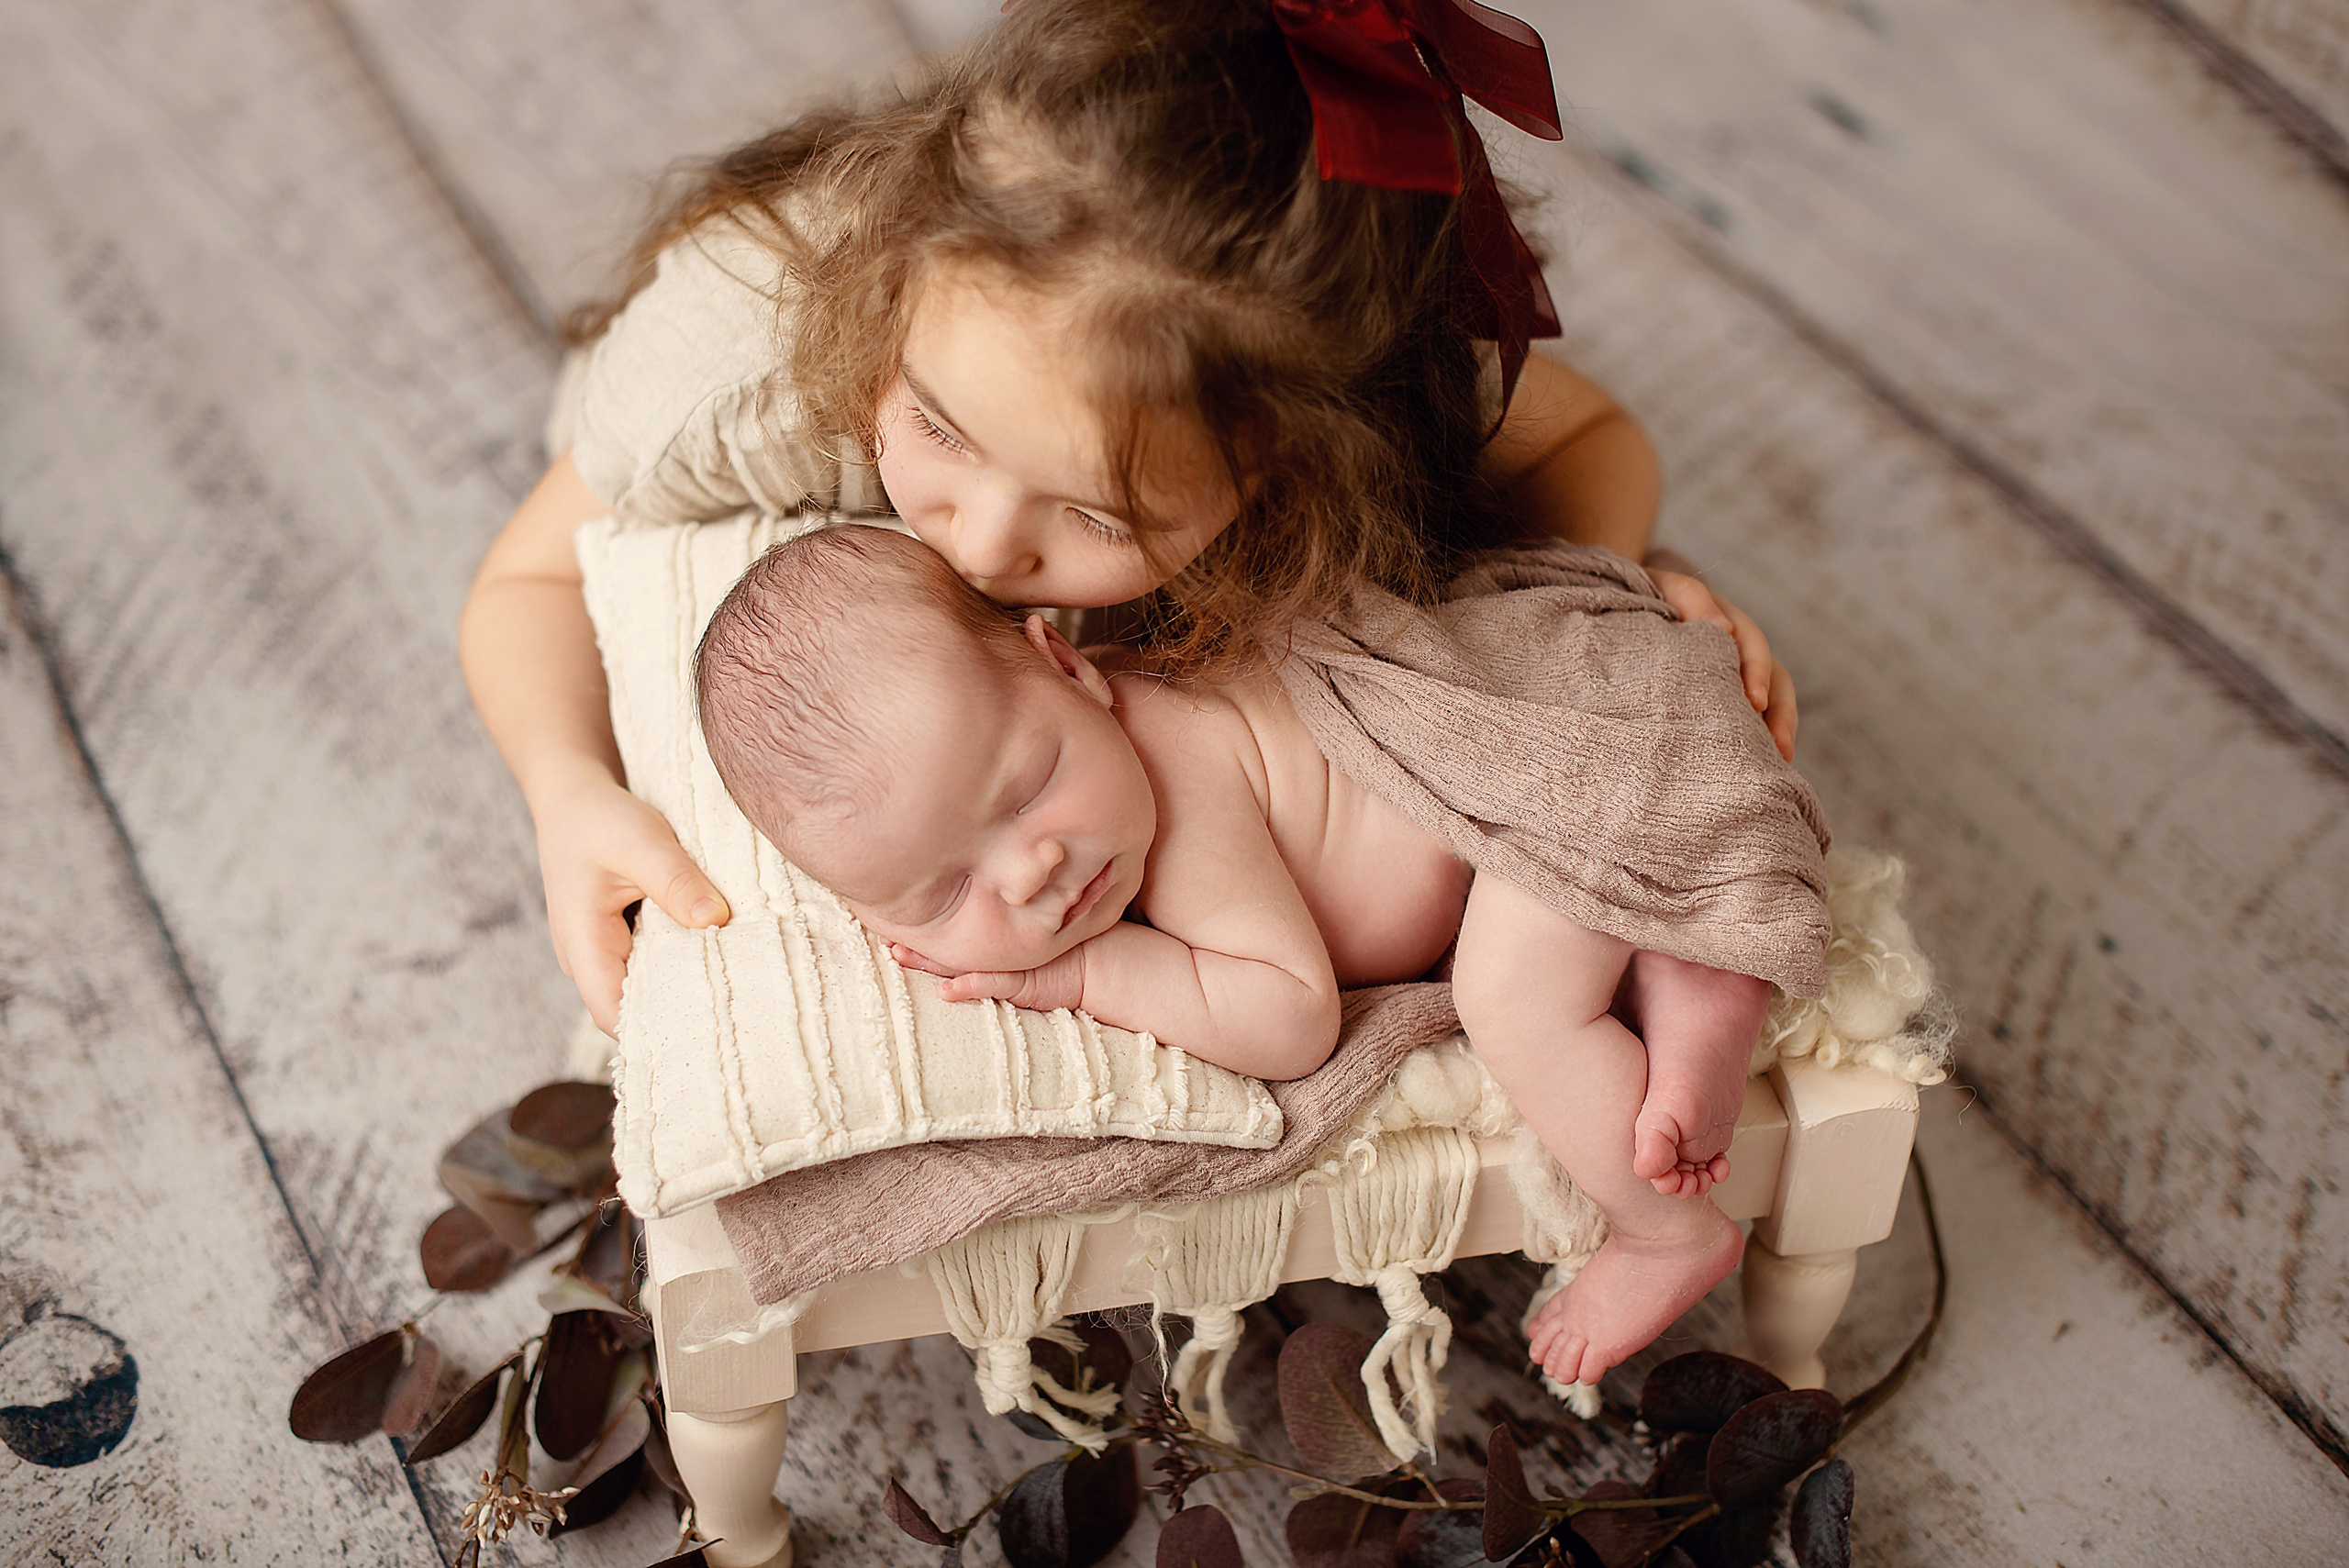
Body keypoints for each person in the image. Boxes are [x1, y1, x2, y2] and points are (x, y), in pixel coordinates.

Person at [457, 0, 1798, 1051]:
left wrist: (1605, 594)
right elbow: (522, 580)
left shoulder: (1352, 408)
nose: (981, 544)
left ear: (1284, 476)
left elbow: (1594, 438)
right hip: (733, 352)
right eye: (937, 427)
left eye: (1099, 509)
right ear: (899, 305)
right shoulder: (726, 382)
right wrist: (568, 789)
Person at [691, 524, 1827, 1389]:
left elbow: (1290, 1020)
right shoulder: (1067, 782)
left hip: (1563, 764)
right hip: (1560, 798)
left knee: (1509, 993)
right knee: (1561, 934)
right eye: (944, 890)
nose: (1032, 869)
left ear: (1070, 665)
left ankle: (1667, 1228)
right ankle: (1692, 970)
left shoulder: (1174, 775)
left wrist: (1083, 976)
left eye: (1030, 784)